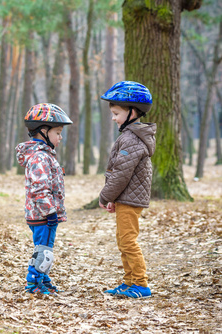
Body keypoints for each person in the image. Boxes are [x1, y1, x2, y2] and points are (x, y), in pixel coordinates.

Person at [98, 81, 156, 298]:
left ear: (132, 111)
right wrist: (114, 197)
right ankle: (130, 281)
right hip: (126, 198)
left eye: (116, 113)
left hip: (130, 200)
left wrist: (105, 196)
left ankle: (140, 283)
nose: (113, 118)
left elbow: (121, 174)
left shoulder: (132, 138)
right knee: (123, 240)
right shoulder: (129, 136)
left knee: (128, 241)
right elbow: (120, 172)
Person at [15, 103, 73, 295]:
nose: (60, 137)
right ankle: (33, 283)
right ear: (43, 131)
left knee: (45, 249)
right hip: (43, 214)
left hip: (42, 213)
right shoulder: (40, 157)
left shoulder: (43, 155)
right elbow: (40, 189)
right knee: (44, 251)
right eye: (58, 132)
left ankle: (43, 278)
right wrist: (50, 212)